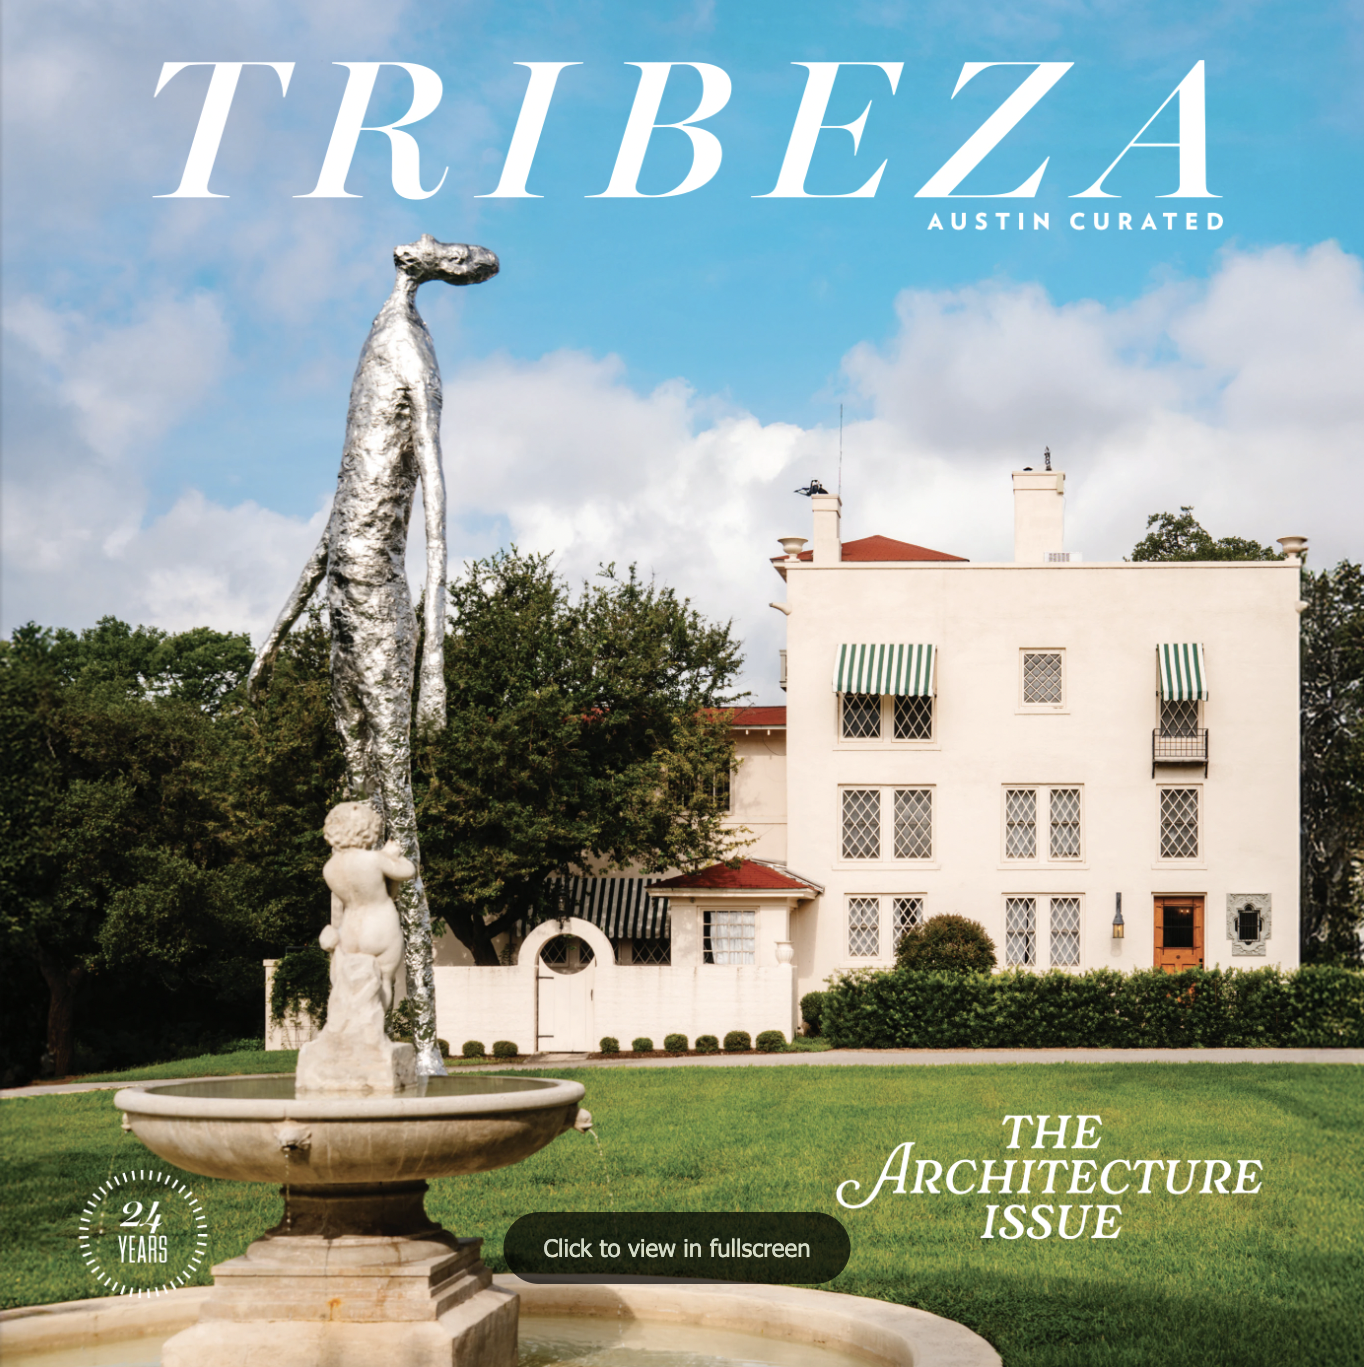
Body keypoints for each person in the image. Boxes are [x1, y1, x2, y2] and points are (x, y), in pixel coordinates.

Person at [319, 801, 415, 1015]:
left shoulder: (330, 868)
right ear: (368, 828)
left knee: (348, 984)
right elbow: (407, 871)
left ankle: (350, 1030)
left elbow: (344, 901)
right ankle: (372, 1031)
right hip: (380, 927)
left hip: (350, 931)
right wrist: (391, 855)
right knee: (383, 980)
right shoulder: (374, 859)